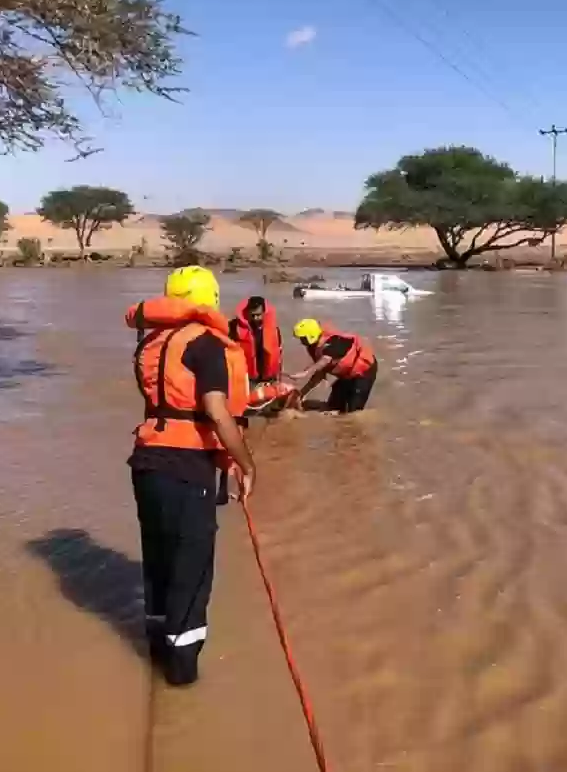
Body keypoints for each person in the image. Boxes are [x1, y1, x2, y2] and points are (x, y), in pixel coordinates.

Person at [126, 265, 258, 687]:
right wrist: (246, 461)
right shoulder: (206, 344)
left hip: (147, 462)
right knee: (192, 569)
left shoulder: (152, 342)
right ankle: (182, 678)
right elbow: (217, 411)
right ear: (209, 298)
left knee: (159, 559)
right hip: (187, 467)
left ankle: (156, 649)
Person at [288, 318, 378, 414]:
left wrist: (306, 373)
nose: (301, 342)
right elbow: (319, 374)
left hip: (364, 372)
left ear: (311, 336)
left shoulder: (334, 342)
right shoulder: (314, 347)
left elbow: (325, 360)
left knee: (353, 413)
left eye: (303, 338)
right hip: (346, 374)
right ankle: (337, 414)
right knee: (333, 406)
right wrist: (302, 393)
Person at [229, 295, 282, 383]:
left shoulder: (274, 330)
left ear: (264, 312)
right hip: (247, 377)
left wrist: (278, 378)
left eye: (258, 315)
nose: (255, 318)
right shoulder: (234, 327)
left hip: (268, 378)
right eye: (252, 315)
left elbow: (279, 354)